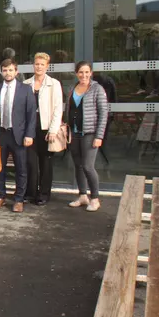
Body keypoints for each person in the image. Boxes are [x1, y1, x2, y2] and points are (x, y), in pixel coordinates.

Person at [0, 59, 36, 213]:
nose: (7, 73)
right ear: (1, 71)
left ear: (16, 71)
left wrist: (29, 134)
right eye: (4, 70)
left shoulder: (26, 89)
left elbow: (31, 114)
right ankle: (1, 195)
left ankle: (18, 199)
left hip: (19, 135)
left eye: (10, 70)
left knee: (21, 168)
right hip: (0, 134)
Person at [67, 61, 108, 212]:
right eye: (80, 72)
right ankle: (83, 195)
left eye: (86, 72)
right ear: (76, 73)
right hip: (75, 133)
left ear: (91, 73)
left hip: (90, 134)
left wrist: (99, 136)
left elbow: (104, 114)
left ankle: (95, 198)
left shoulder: (97, 89)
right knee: (77, 166)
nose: (83, 75)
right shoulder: (72, 88)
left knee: (88, 166)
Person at [24, 52, 64, 206]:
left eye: (42, 64)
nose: (39, 67)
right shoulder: (26, 83)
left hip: (46, 128)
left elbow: (57, 108)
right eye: (37, 64)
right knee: (31, 162)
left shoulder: (54, 84)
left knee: (45, 162)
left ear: (47, 66)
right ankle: (31, 192)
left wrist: (53, 130)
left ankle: (44, 193)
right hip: (30, 127)